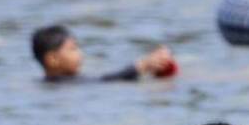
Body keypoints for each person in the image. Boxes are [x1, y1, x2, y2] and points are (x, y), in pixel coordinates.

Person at [31, 24, 177, 82]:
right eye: (72, 49)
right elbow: (103, 81)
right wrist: (141, 66)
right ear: (52, 59)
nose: (80, 54)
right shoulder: (64, 83)